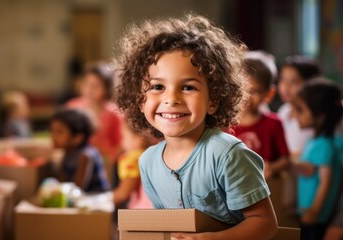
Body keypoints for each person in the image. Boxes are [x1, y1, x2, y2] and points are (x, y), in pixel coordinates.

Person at [116, 14, 277, 239]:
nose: (171, 99)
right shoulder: (147, 162)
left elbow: (265, 223)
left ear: (213, 101)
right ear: (139, 99)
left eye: (188, 87)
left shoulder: (228, 155)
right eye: (157, 86)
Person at [291, 78, 343, 240]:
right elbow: (310, 169)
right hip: (309, 213)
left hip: (314, 216)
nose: (295, 115)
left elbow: (325, 181)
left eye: (300, 110)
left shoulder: (324, 144)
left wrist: (314, 210)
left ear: (320, 116)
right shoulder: (319, 142)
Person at [231, 58, 290, 179]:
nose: (246, 97)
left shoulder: (274, 123)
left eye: (255, 91)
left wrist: (272, 167)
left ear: (269, 93)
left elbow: (286, 160)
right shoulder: (225, 124)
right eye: (241, 89)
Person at [66, 66, 122, 163]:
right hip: (77, 159)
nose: (90, 89)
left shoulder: (114, 114)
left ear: (106, 89)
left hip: (105, 161)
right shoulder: (72, 107)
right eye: (87, 83)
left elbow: (119, 145)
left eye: (96, 86)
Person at [50, 108, 110, 192]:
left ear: (77, 138)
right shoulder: (67, 152)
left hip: (96, 198)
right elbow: (62, 182)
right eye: (52, 131)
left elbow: (78, 188)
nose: (53, 136)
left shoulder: (86, 156)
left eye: (59, 132)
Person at [277, 56, 321, 160]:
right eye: (282, 80)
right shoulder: (284, 111)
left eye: (294, 82)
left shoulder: (314, 116)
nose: (285, 87)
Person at [112, 121, 152, 209]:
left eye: (123, 137)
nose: (121, 143)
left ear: (139, 139)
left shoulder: (132, 158)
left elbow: (123, 194)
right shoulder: (153, 155)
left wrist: (100, 200)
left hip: (141, 211)